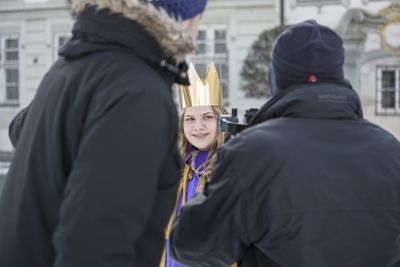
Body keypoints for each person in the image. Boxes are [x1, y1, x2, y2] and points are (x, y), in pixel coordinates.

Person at [169, 20, 400, 267]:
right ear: (338, 76)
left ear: (276, 78)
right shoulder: (391, 150)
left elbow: (193, 245)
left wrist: (212, 191)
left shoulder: (252, 153)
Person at [0, 1, 207, 267]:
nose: (197, 34)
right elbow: (94, 246)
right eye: (199, 20)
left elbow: (23, 128)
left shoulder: (72, 67)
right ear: (184, 19)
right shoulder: (136, 93)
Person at [159, 63, 231, 267]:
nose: (198, 127)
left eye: (207, 117)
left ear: (222, 120)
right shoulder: (175, 167)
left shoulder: (230, 167)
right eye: (190, 119)